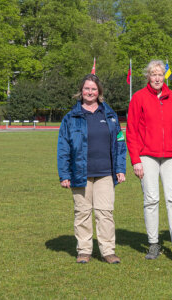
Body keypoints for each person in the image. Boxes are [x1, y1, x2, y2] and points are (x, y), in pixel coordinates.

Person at [57, 74, 126, 264]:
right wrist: (64, 174)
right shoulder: (70, 117)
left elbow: (120, 143)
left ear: (99, 92)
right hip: (80, 173)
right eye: (87, 88)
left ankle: (108, 251)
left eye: (94, 89)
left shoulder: (110, 115)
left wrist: (120, 168)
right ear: (81, 91)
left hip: (105, 173)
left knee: (105, 213)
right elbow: (63, 148)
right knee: (82, 213)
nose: (90, 92)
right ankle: (84, 251)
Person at [126, 60, 172, 262]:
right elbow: (132, 130)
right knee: (151, 200)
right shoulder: (138, 97)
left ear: (164, 76)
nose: (157, 78)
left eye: (160, 74)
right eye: (153, 74)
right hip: (147, 156)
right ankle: (153, 244)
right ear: (148, 77)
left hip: (171, 156)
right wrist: (136, 159)